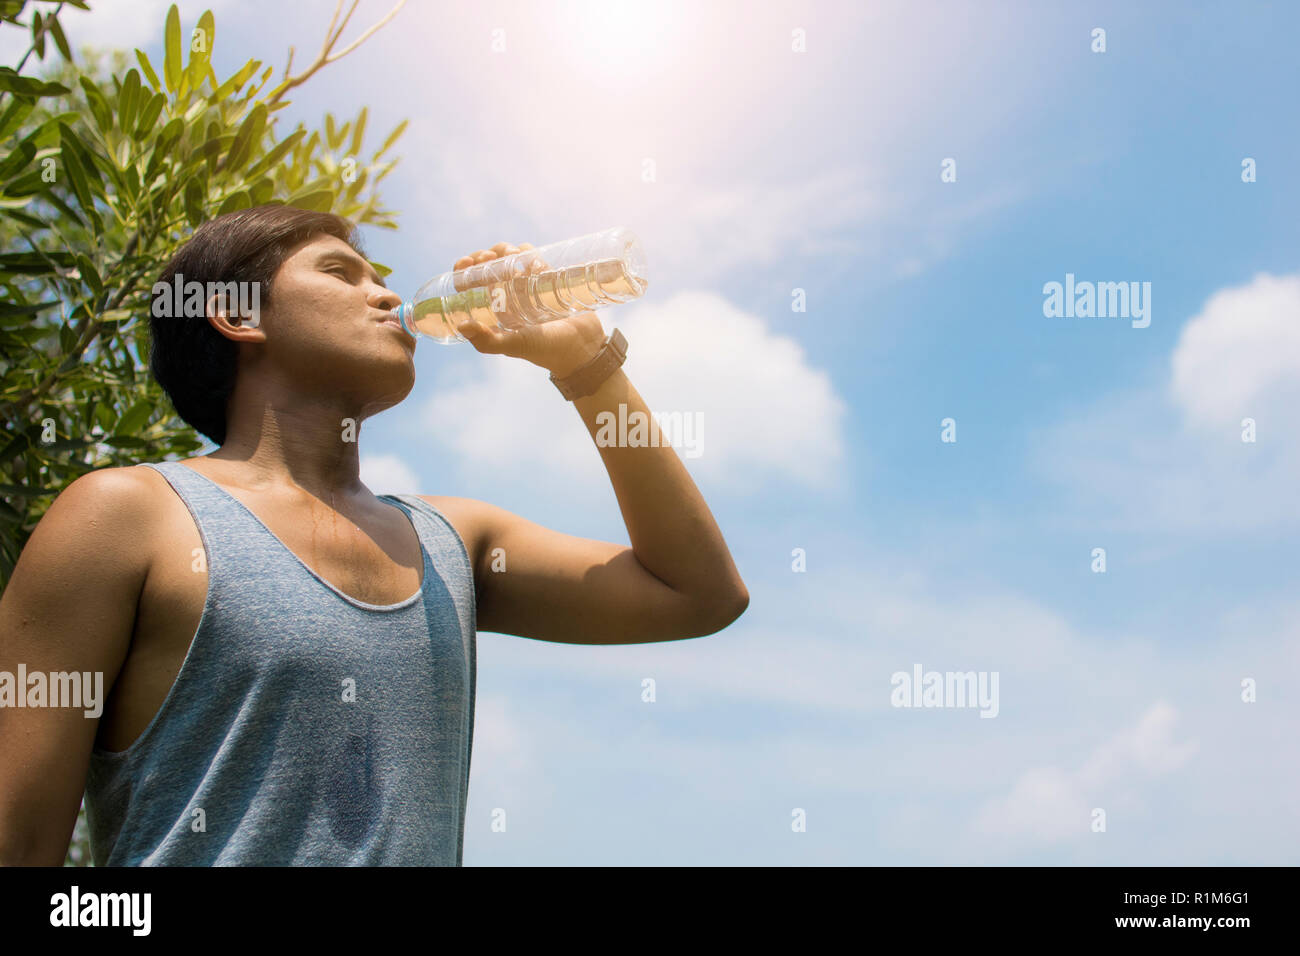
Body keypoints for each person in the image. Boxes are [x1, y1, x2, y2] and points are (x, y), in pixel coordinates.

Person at [0, 204, 749, 866]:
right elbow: (18, 844)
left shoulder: (453, 537)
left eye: (380, 277)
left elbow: (698, 593)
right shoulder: (126, 517)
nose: (388, 295)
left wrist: (587, 364)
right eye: (341, 273)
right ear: (236, 313)